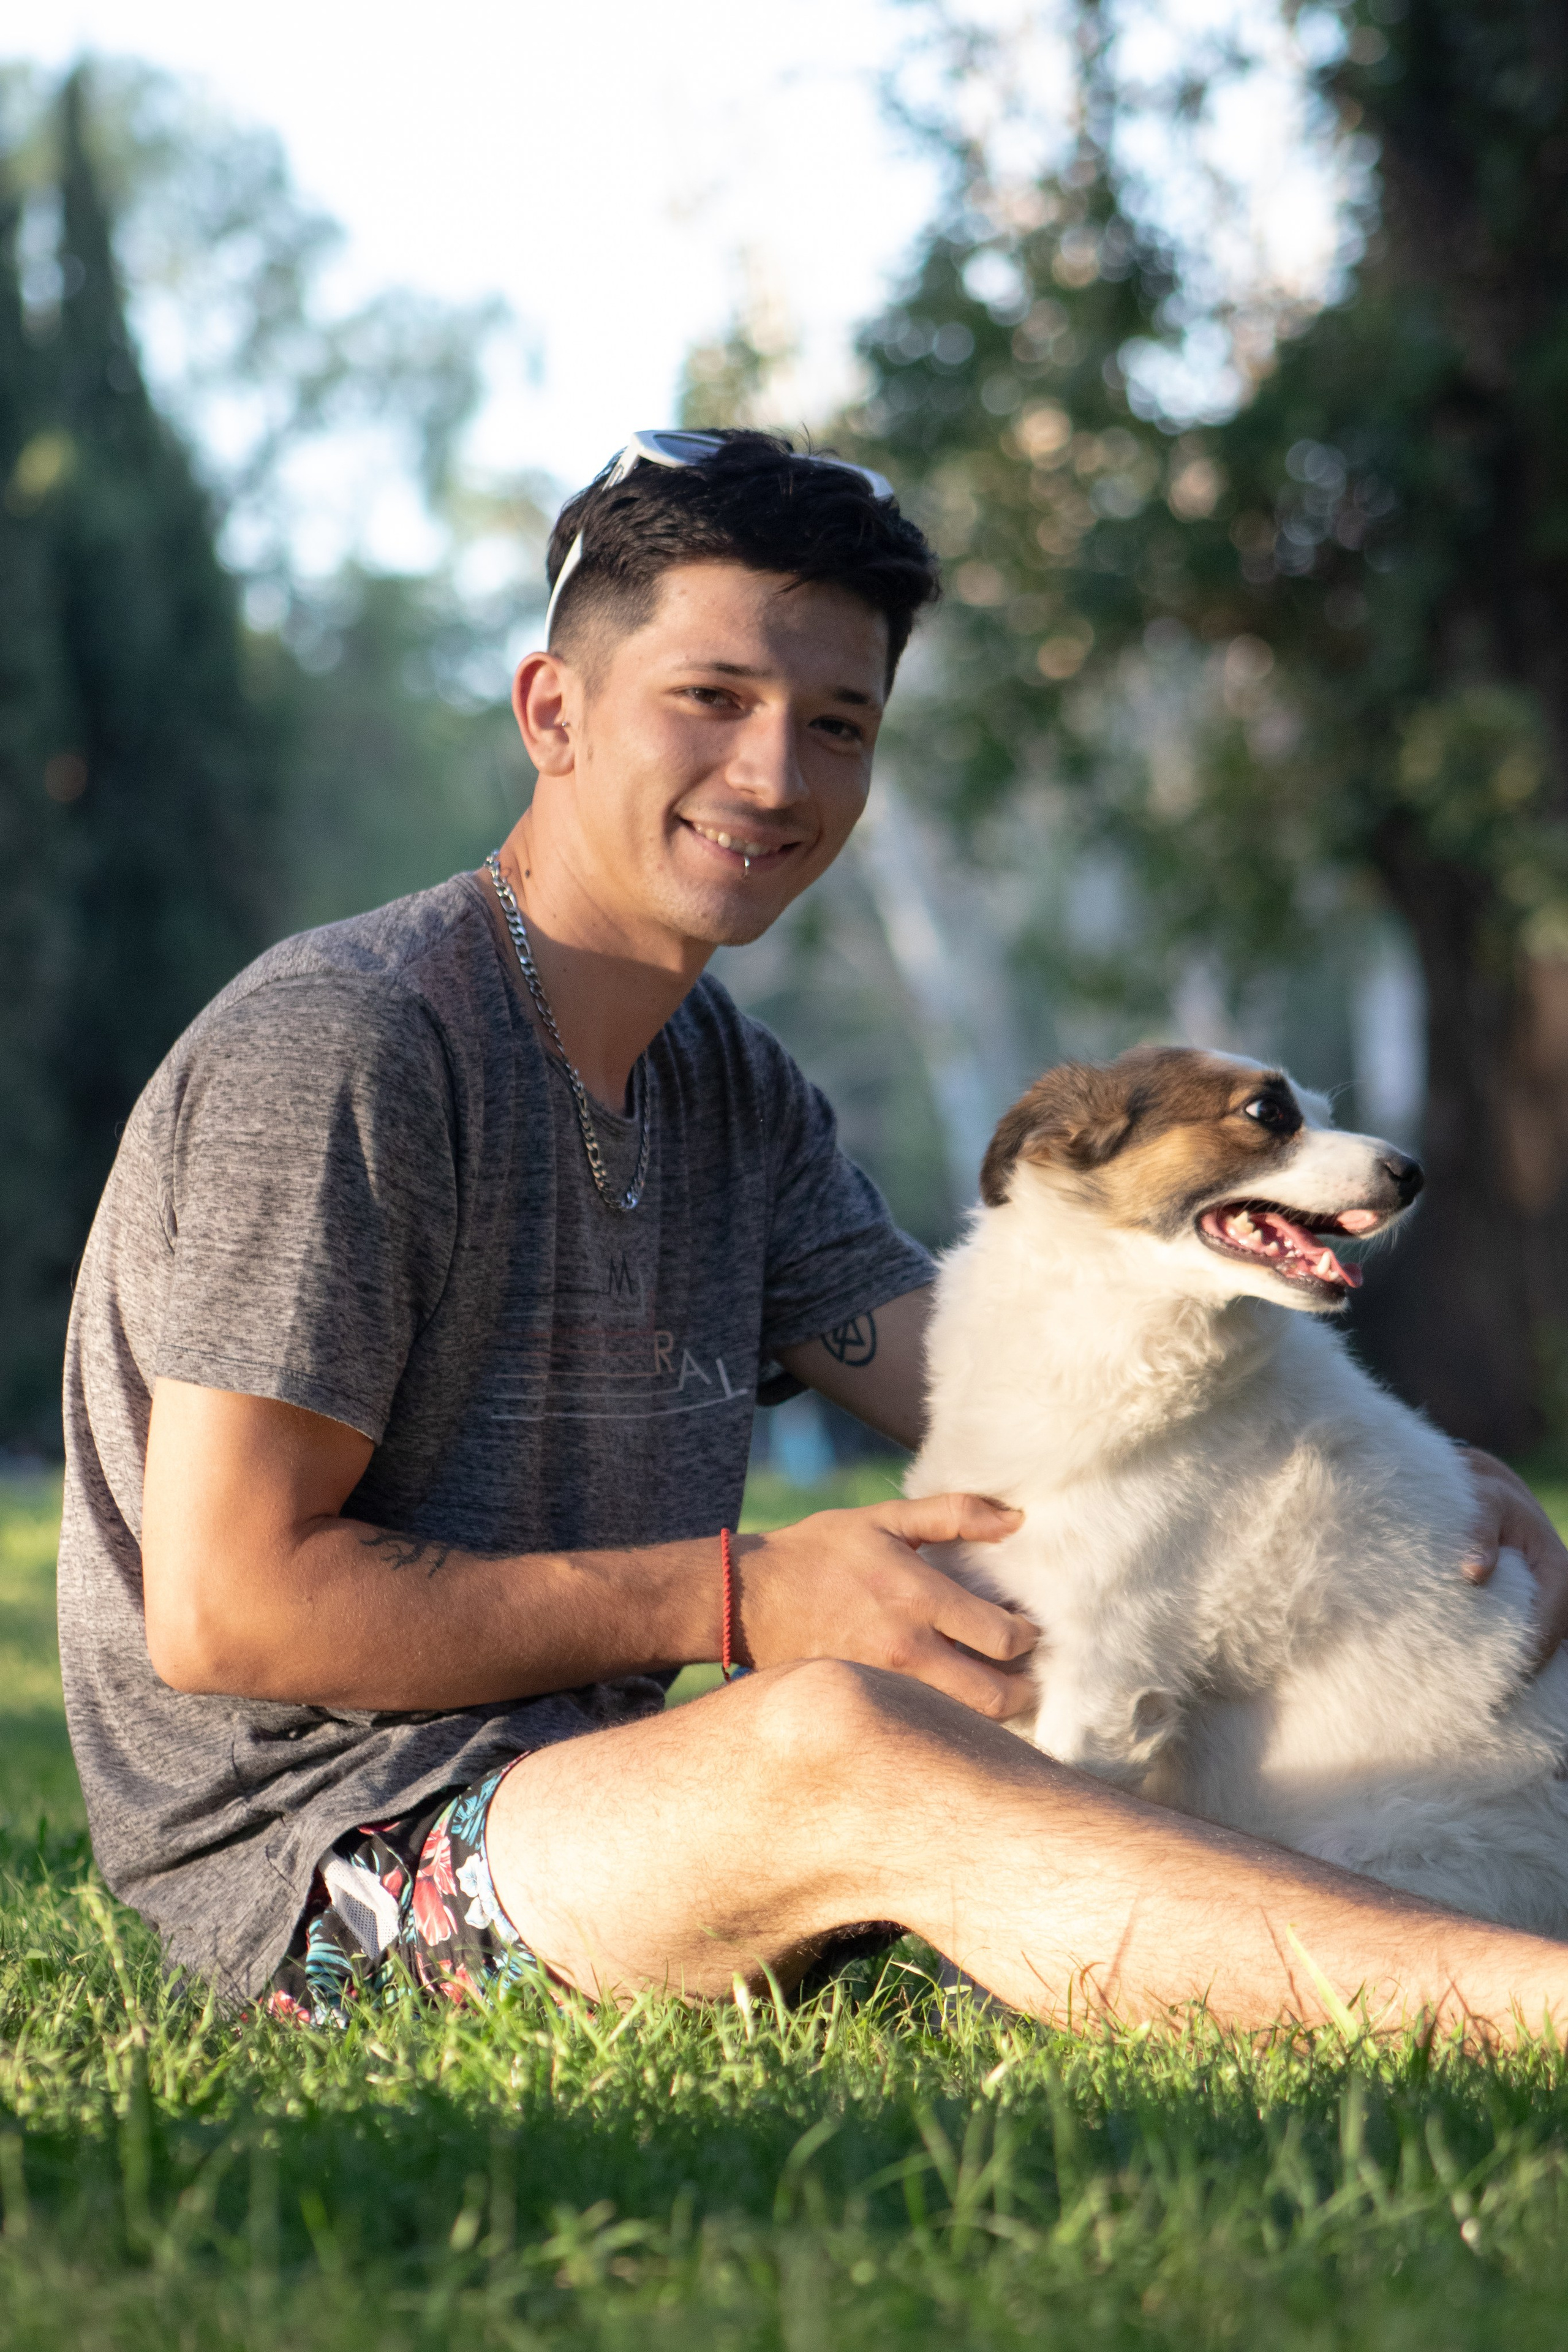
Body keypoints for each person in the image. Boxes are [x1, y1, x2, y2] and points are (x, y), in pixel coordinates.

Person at [59, 429, 1568, 2039]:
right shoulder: (347, 1045)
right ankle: (1526, 2011)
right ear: (552, 710)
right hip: (330, 1869)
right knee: (842, 1734)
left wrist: (1403, 1494)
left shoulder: (730, 1086)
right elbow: (230, 1607)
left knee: (1028, 1639)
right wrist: (735, 1599)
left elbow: (1030, 1408)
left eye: (836, 724)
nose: (776, 776)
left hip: (624, 1794)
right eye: (712, 697)